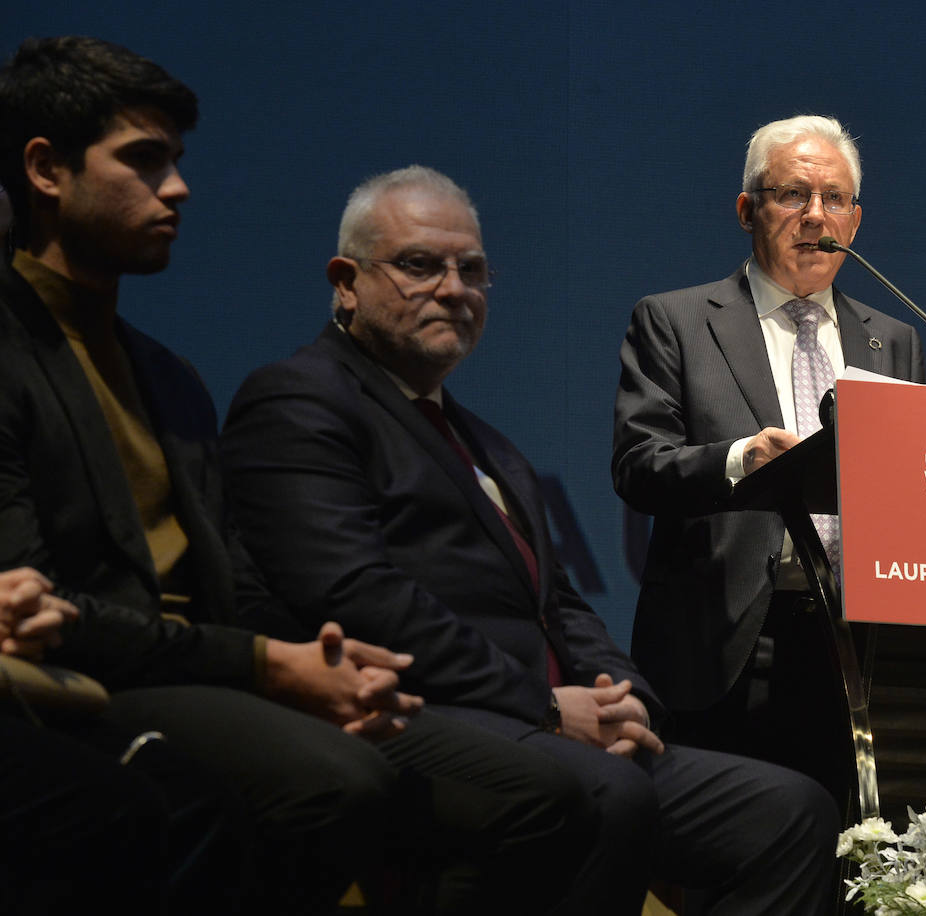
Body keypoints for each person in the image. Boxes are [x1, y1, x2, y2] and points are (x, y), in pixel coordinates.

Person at [0, 36, 590, 913]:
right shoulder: (15, 352)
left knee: (531, 791)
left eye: (178, 161)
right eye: (143, 162)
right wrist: (271, 668)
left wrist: (329, 666)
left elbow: (234, 581)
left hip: (214, 671)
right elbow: (37, 613)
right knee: (338, 783)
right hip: (103, 680)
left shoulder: (168, 376)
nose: (178, 188)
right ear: (46, 170)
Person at [220, 164, 840, 915]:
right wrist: (545, 707)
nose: (453, 288)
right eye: (420, 266)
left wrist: (629, 699)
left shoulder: (486, 444)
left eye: (472, 271)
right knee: (602, 794)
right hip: (420, 717)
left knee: (790, 811)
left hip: (552, 723)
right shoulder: (299, 399)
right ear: (346, 281)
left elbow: (562, 605)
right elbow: (354, 596)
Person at [611, 115, 924, 796]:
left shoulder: (897, 337)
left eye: (834, 199)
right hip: (733, 644)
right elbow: (638, 462)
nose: (817, 216)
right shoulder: (676, 321)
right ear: (747, 209)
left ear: (856, 220)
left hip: (860, 649)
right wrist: (736, 460)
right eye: (793, 195)